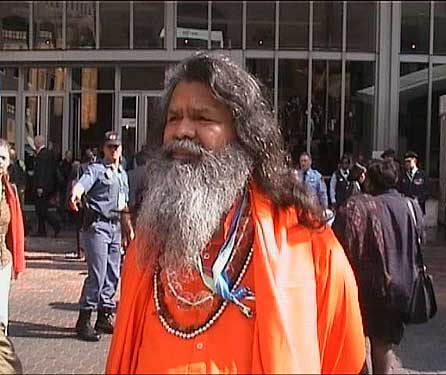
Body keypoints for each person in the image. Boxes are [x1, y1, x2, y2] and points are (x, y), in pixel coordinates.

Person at [106, 52, 365, 374]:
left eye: (203, 118)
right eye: (173, 118)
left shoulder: (307, 246)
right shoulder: (146, 248)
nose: (182, 131)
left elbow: (344, 359)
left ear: (242, 135)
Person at [69, 131, 133, 342]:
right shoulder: (96, 169)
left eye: (117, 147)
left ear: (121, 149)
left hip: (115, 227)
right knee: (97, 271)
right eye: (110, 147)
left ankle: (104, 315)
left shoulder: (123, 174)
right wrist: (75, 194)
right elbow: (82, 184)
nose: (114, 151)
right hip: (98, 226)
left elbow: (123, 204)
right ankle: (84, 318)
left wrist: (128, 230)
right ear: (104, 149)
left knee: (113, 273)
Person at [366, 159, 425, 374]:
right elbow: (421, 239)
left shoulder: (370, 207)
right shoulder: (412, 205)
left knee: (378, 342)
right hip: (406, 281)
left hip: (380, 283)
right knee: (385, 341)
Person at [332, 162, 389, 374]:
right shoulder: (379, 206)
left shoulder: (349, 207)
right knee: (379, 339)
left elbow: (338, 244)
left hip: (354, 280)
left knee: (355, 334)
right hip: (379, 280)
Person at [0, 139, 25, 335]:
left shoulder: (9, 190)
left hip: (3, 259)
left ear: (9, 162)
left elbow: (15, 227)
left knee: (1, 317)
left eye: (3, 157)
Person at [32, 135, 61, 237]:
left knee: (41, 209)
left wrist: (40, 186)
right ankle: (41, 230)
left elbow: (42, 172)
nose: (34, 144)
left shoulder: (42, 155)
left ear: (38, 143)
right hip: (48, 186)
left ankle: (55, 224)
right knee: (40, 209)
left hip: (43, 187)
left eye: (35, 142)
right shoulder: (49, 154)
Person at [398, 151, 430, 215]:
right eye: (405, 162)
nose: (407, 164)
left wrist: (418, 199)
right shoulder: (402, 176)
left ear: (415, 161)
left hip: (419, 208)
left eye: (409, 161)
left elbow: (427, 191)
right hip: (406, 208)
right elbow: (399, 190)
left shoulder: (422, 175)